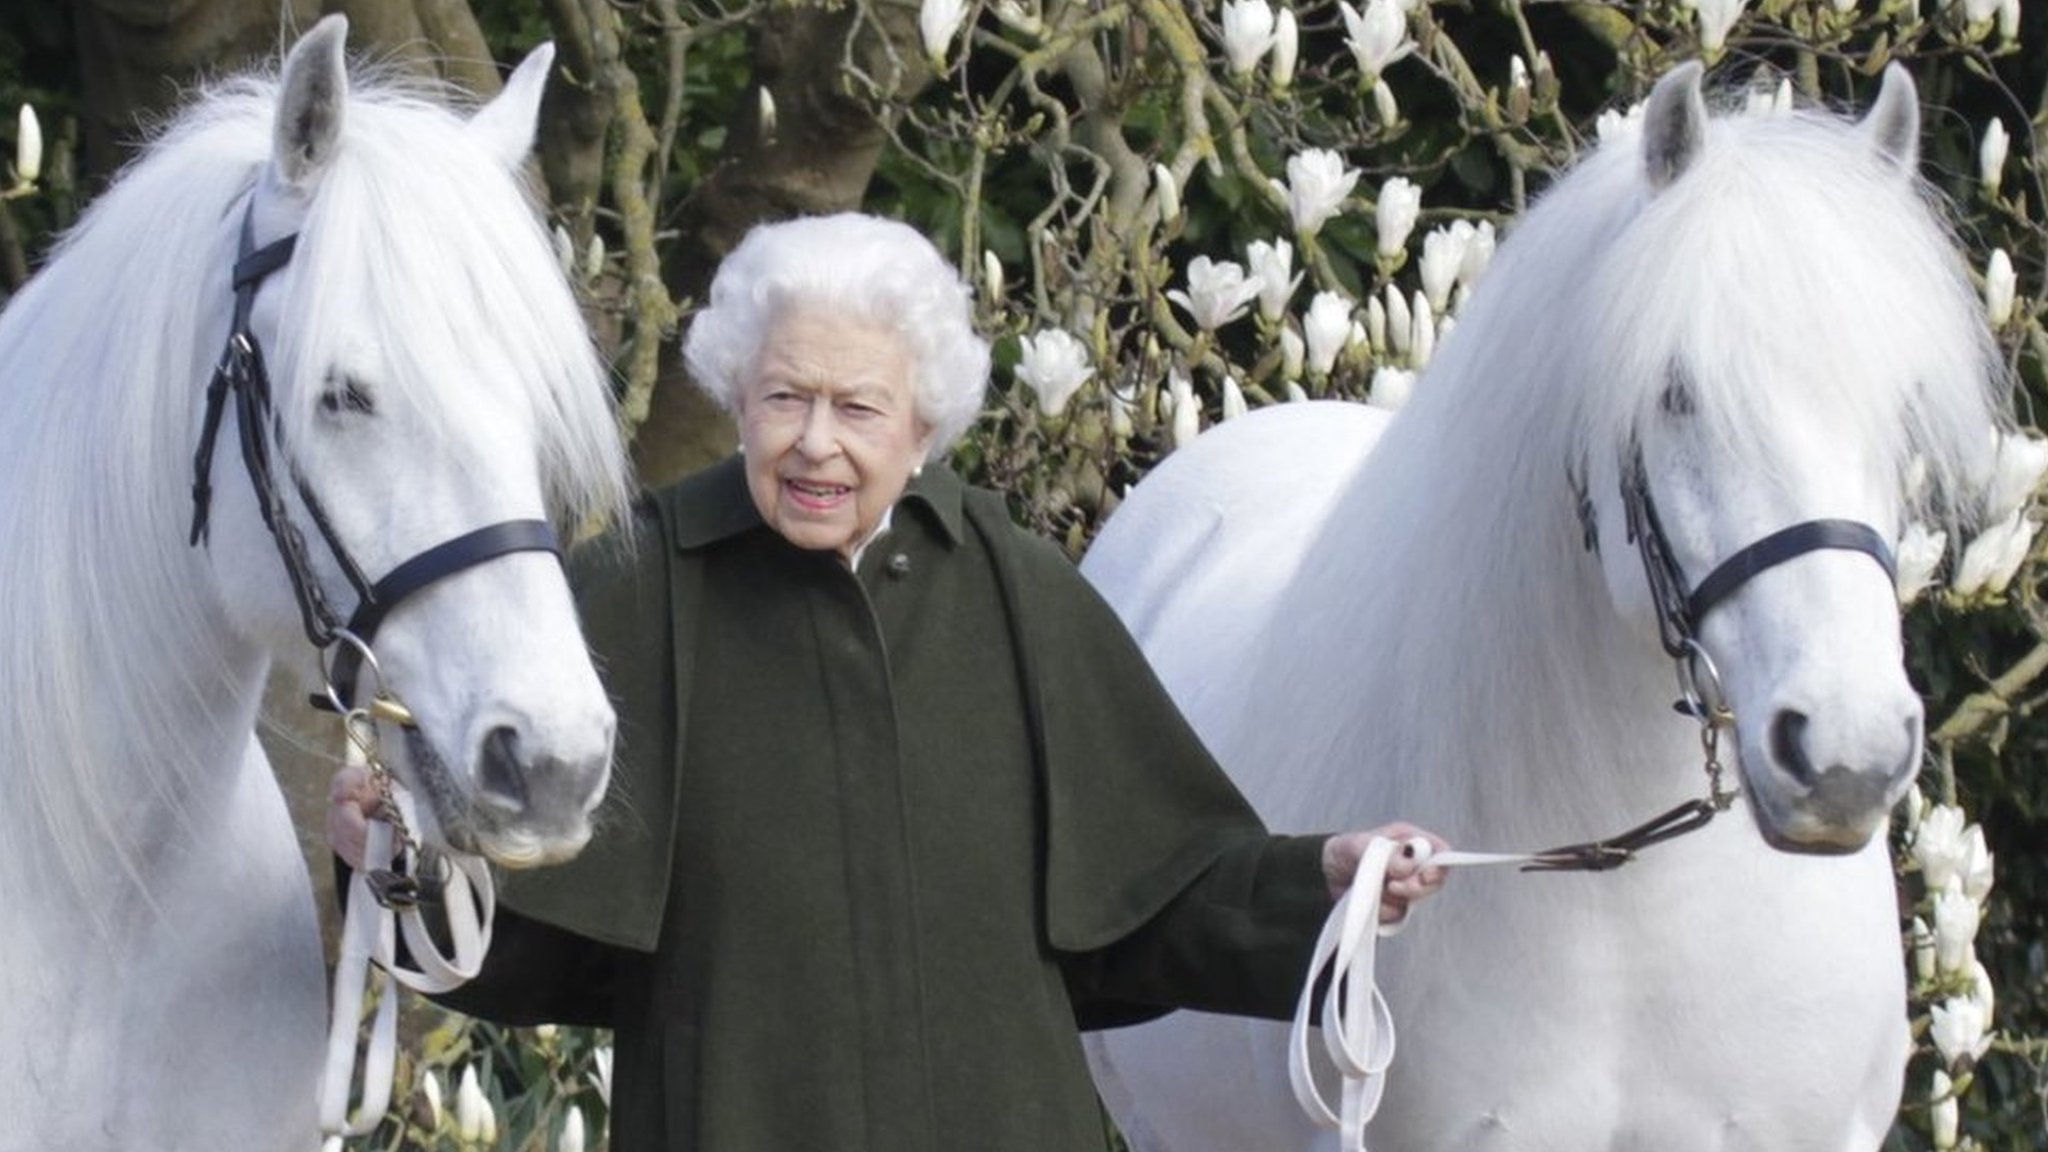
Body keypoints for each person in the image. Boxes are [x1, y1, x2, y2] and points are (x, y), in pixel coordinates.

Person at [328, 212, 1447, 1151]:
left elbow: (1145, 906)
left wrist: (1325, 885)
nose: (816, 443)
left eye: (857, 408)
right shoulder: (635, 583)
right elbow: (533, 941)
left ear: (922, 428)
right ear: (736, 399)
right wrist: (400, 865)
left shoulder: (1010, 583)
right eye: (784, 398)